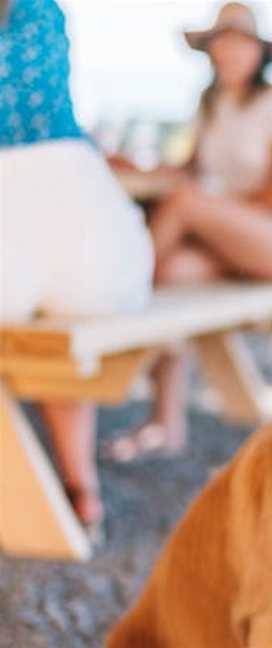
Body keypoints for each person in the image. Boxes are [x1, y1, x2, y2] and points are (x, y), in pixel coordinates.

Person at [104, 2, 272, 462]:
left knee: (182, 211)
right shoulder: (211, 105)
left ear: (258, 52)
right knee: (169, 271)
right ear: (210, 51)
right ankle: (164, 419)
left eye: (239, 43)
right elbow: (190, 173)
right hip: (231, 235)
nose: (229, 53)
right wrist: (138, 168)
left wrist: (213, 212)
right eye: (221, 43)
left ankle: (114, 293)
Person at [0, 0, 154, 540]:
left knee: (42, 317)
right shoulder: (44, 13)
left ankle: (73, 485)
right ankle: (79, 485)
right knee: (60, 317)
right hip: (79, 211)